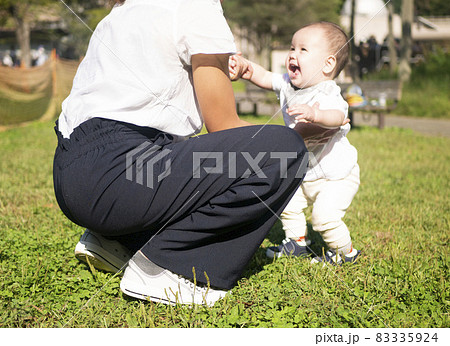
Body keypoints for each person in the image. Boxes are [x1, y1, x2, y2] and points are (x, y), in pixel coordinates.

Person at [53, 0, 308, 306]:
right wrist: (299, 140)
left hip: (71, 171)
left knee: (184, 153)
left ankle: (114, 239)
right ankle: (167, 267)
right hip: (123, 170)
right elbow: (224, 126)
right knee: (285, 149)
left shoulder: (124, 10)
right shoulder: (198, 6)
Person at [229, 21, 361, 265]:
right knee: (287, 202)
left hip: (336, 175)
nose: (293, 54)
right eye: (292, 48)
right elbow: (266, 77)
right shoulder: (289, 84)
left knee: (324, 218)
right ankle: (297, 242)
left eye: (303, 50)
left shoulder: (327, 93)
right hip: (305, 171)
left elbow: (338, 116)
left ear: (328, 64)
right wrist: (247, 69)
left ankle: (346, 253)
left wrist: (315, 114)